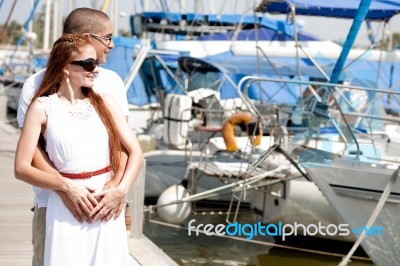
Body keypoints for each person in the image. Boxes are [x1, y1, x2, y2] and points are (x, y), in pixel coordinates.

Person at [16, 8, 135, 266]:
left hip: (105, 202)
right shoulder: (33, 88)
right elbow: (34, 152)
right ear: (84, 37)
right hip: (52, 205)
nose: (112, 45)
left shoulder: (111, 83)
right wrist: (66, 189)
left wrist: (116, 187)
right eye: (107, 37)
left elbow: (122, 146)